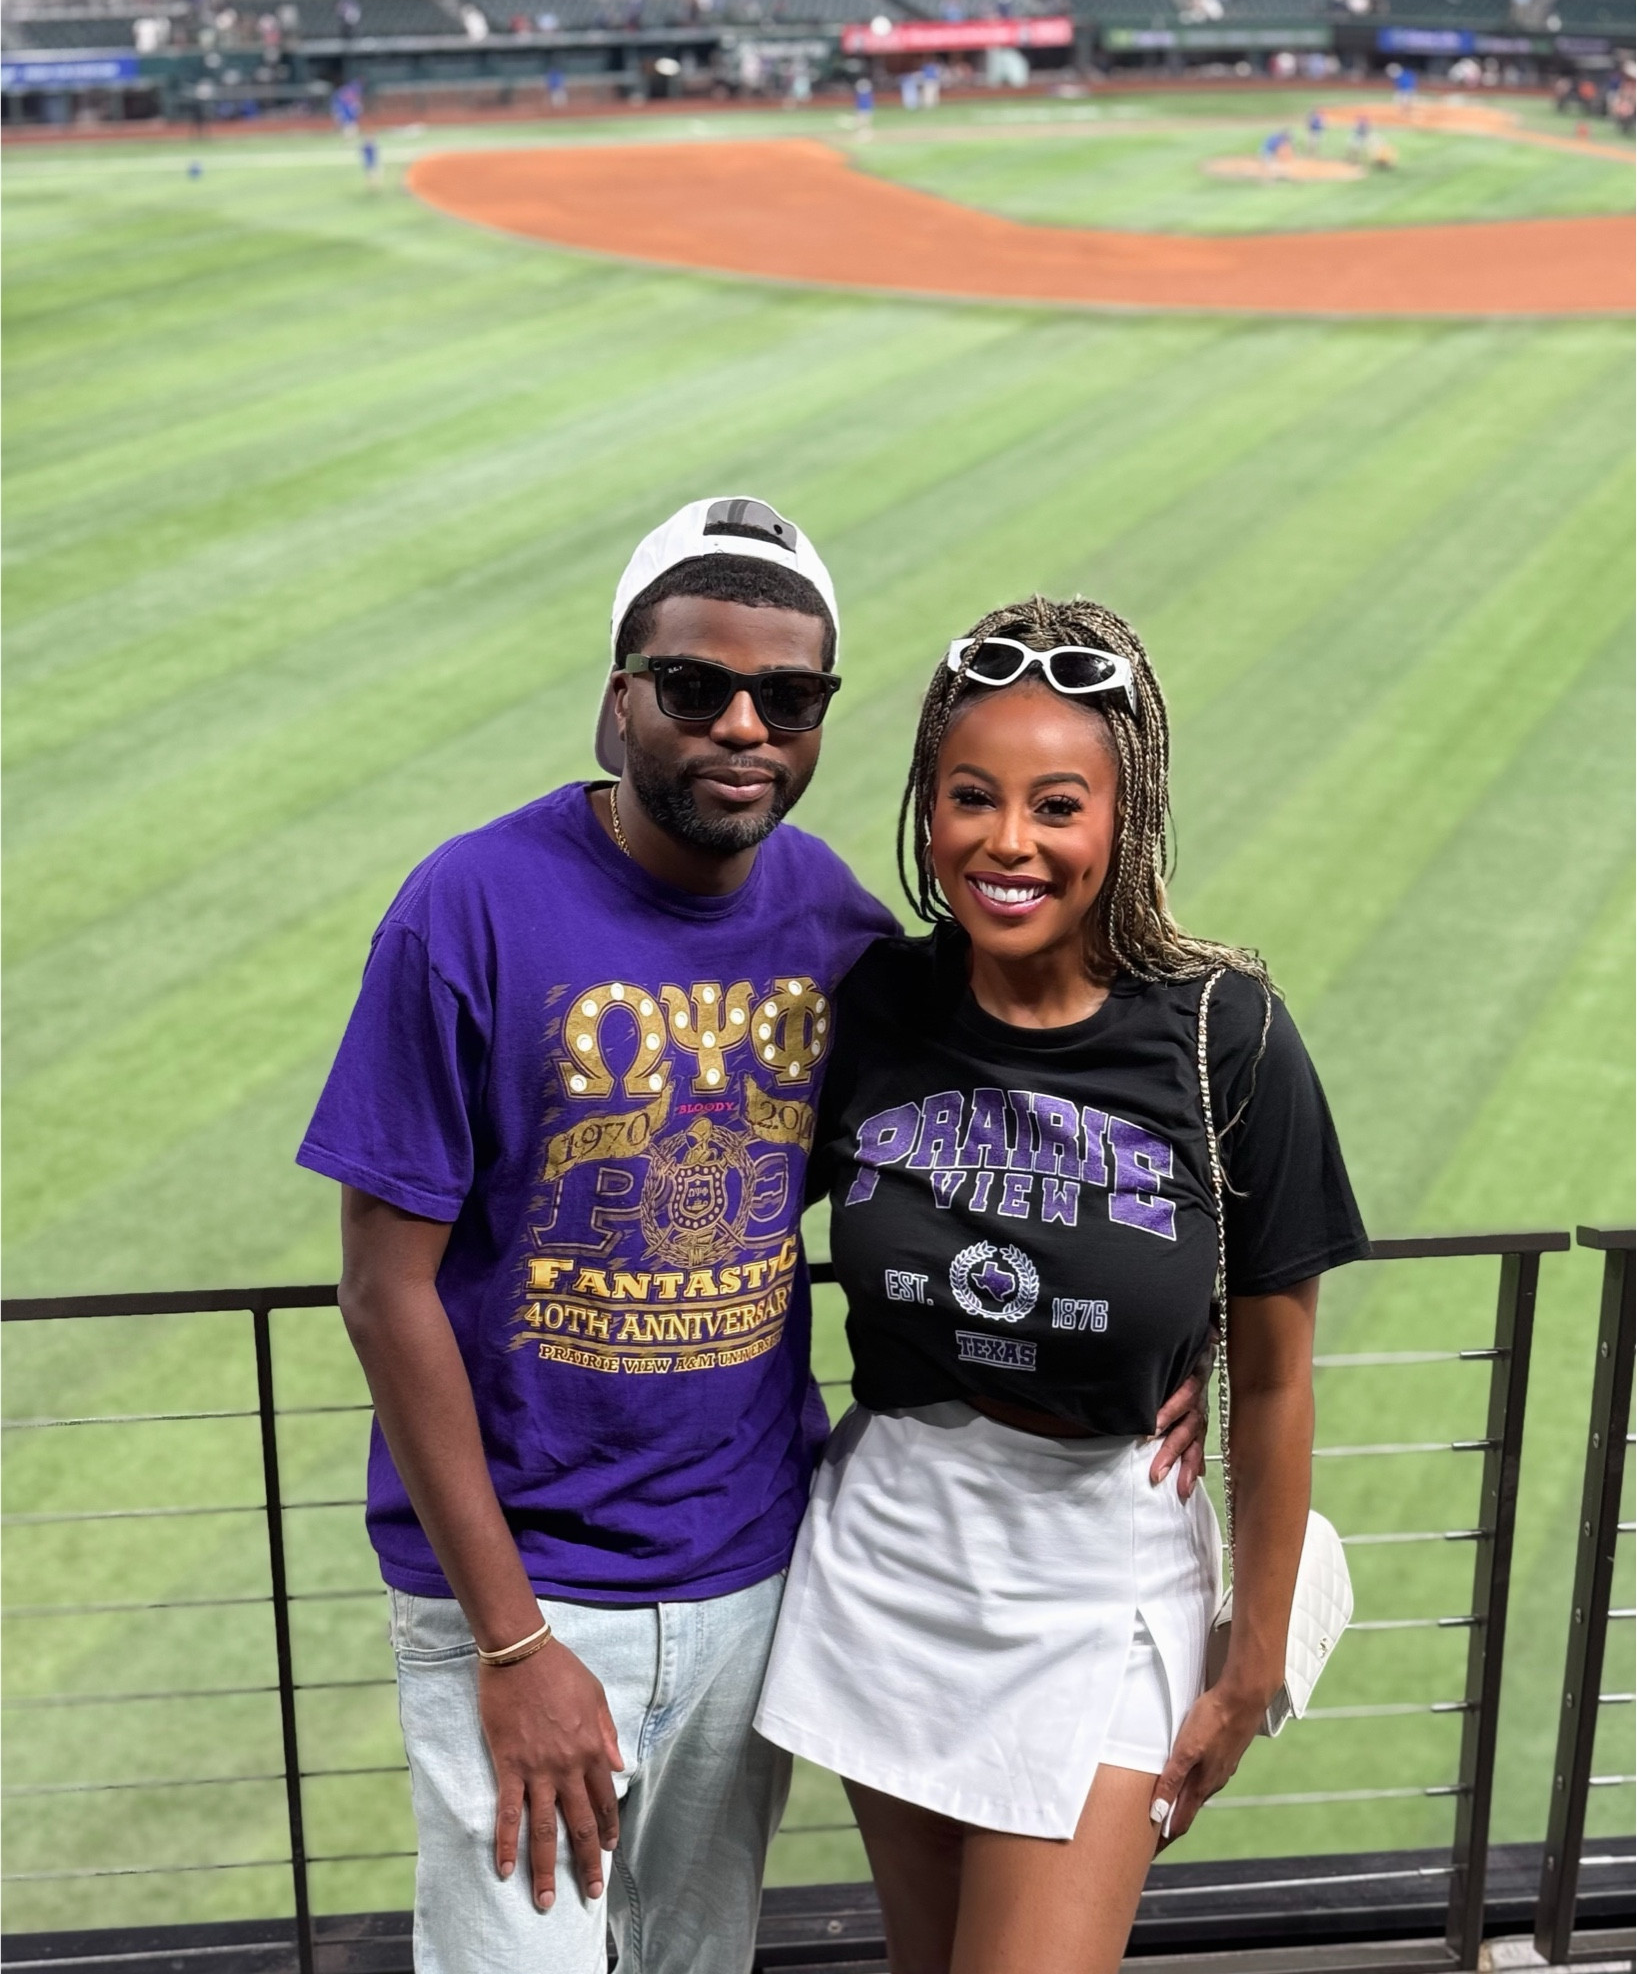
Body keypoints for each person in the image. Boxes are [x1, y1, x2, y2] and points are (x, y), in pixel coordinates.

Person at [297, 514, 1209, 1973]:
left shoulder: (835, 924)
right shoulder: (466, 909)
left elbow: (989, 1162)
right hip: (524, 1596)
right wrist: (513, 1646)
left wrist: (1165, 1344)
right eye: (693, 685)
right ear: (618, 698)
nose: (741, 726)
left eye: (787, 696)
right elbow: (380, 1288)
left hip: (752, 1576)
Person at [756, 598, 1369, 1974]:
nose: (1007, 842)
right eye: (970, 796)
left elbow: (1276, 1379)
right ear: (927, 810)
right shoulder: (878, 1005)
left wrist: (1250, 1667)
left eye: (1056, 806)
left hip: (1103, 1575)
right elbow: (728, 1212)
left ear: (1123, 819)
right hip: (895, 1551)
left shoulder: (1225, 1033)